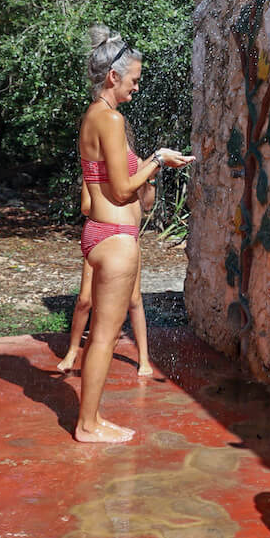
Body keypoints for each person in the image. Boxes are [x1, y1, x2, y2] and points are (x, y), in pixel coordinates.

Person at [74, 26, 193, 443]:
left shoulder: (93, 117)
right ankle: (88, 424)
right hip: (115, 239)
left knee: (102, 336)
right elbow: (124, 190)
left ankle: (91, 419)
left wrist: (152, 165)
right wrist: (158, 159)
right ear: (113, 77)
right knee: (105, 337)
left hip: (100, 232)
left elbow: (105, 189)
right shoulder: (110, 118)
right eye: (134, 80)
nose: (137, 87)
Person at [58, 127, 155, 377]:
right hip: (103, 237)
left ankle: (144, 358)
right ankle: (71, 350)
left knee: (134, 300)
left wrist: (148, 178)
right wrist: (113, 194)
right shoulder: (97, 171)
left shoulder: (138, 167)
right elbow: (86, 207)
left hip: (128, 239)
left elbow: (148, 203)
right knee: (84, 300)